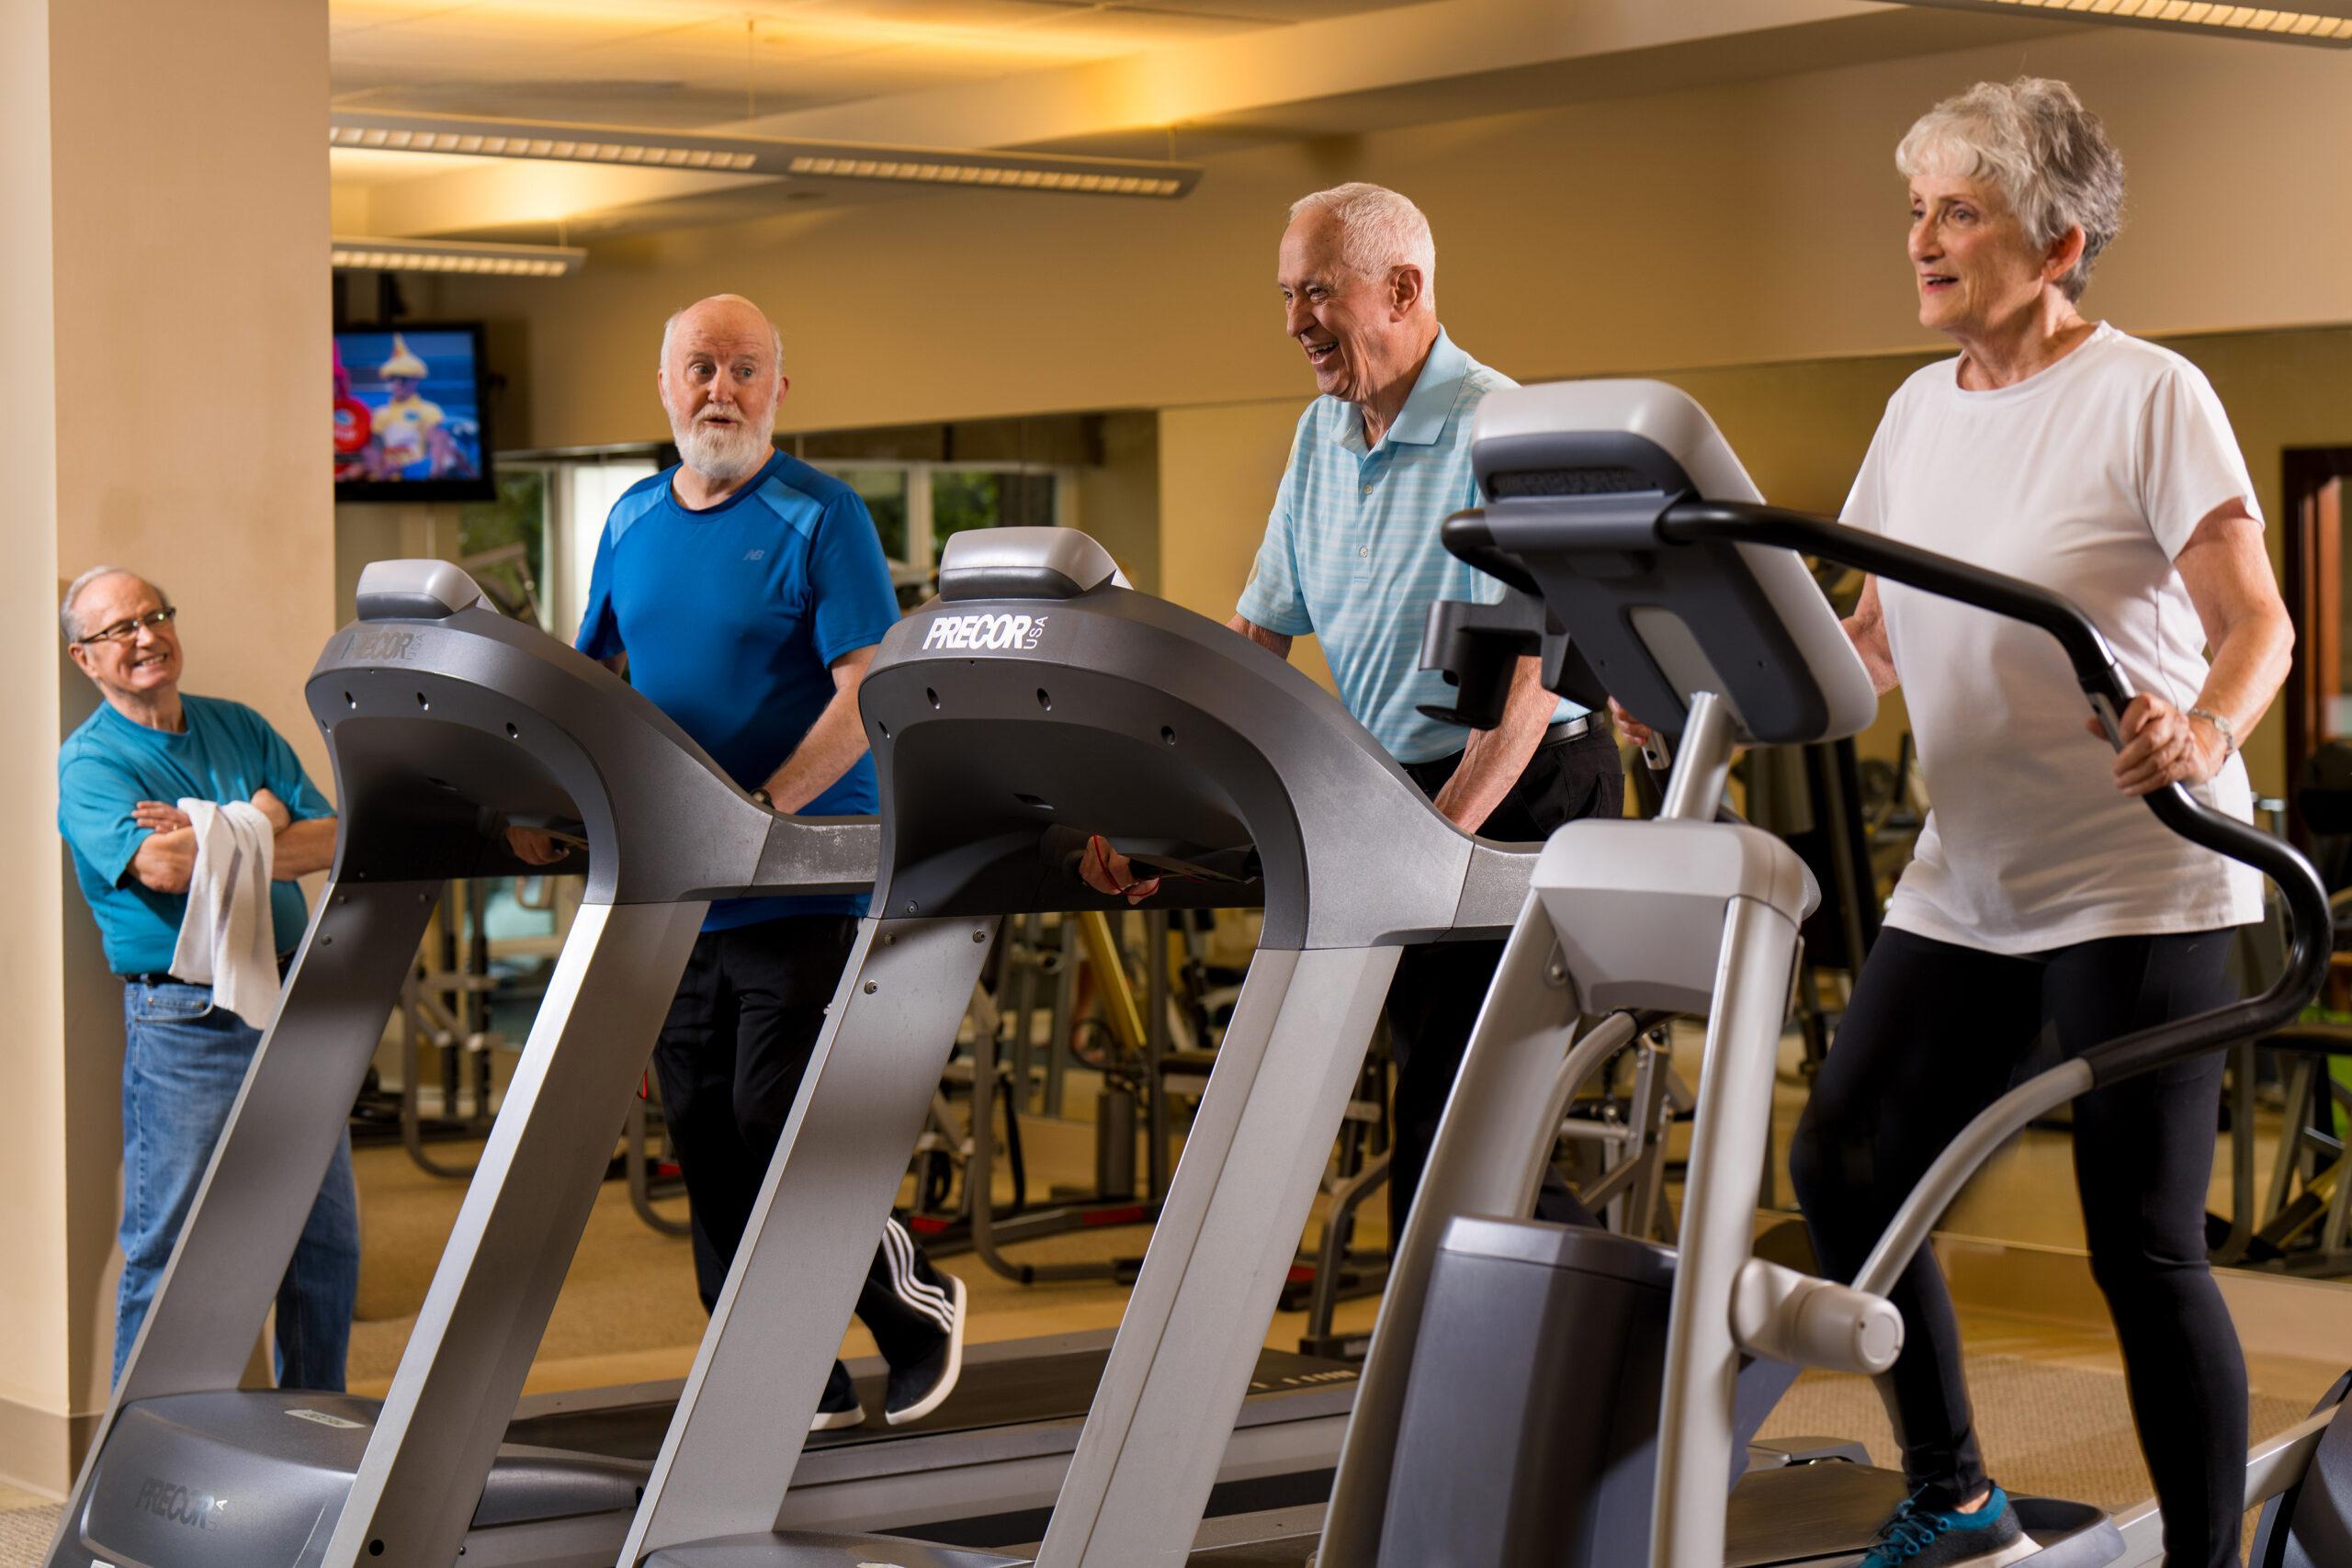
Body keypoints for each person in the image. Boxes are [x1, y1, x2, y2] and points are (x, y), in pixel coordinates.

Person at [1766, 79, 2287, 1568]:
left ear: (2056, 242)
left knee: (2142, 1240)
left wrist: (2205, 727)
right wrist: (1707, 686)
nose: (1923, 240)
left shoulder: (2148, 393)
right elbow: (1863, 645)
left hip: (2150, 873)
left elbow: (2260, 619)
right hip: (1971, 879)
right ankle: (1955, 1494)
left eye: (1960, 212)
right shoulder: (1914, 412)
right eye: (1917, 211)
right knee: (1847, 1164)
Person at [1080, 183, 1623, 1237]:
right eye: (1286, 296)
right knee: (1439, 1129)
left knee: (1459, 1127)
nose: (1294, 323)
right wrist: (1173, 819)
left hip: (1525, 789)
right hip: (1399, 793)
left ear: (1402, 289)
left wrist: (1437, 844)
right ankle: (1565, 1358)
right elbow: (1255, 648)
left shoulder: (1503, 430)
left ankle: (1615, 1353)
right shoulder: (1319, 439)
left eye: (1316, 294)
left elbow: (1534, 682)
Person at [526, 293, 966, 1431]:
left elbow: (863, 686)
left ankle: (910, 1307)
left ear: (779, 389)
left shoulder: (822, 516)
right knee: (706, 1142)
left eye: (744, 369)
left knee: (776, 1119)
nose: (719, 389)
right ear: (665, 384)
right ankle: (781, 1373)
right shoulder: (627, 518)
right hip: (684, 887)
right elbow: (598, 680)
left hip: (804, 869)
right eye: (700, 367)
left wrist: (763, 811)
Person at [54, 567, 357, 1388]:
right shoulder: (89, 765)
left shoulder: (240, 726)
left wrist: (211, 830)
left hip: (295, 1000)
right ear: (86, 658)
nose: (146, 636)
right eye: (120, 629)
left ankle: (314, 1431)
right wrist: (259, 816)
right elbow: (159, 867)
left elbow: (334, 839)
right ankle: (128, 1463)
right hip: (185, 1024)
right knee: (169, 1243)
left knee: (324, 1244)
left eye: (154, 616)